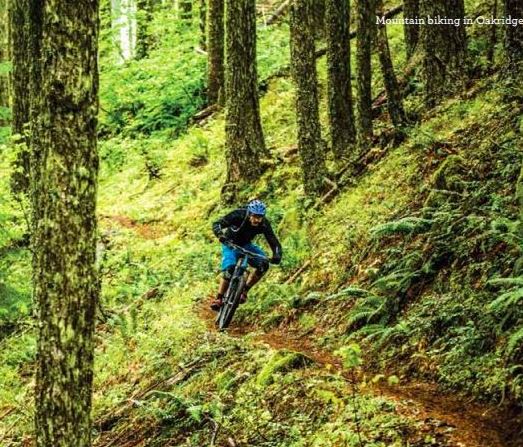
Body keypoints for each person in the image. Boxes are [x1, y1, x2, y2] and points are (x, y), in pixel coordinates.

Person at [210, 199, 282, 311]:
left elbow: (273, 241)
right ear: (249, 213)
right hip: (230, 244)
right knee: (230, 268)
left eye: (259, 217)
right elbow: (217, 224)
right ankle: (219, 298)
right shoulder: (238, 215)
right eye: (254, 216)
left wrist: (277, 255)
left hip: (246, 245)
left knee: (263, 265)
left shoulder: (264, 224)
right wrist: (220, 235)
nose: (257, 220)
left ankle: (244, 290)